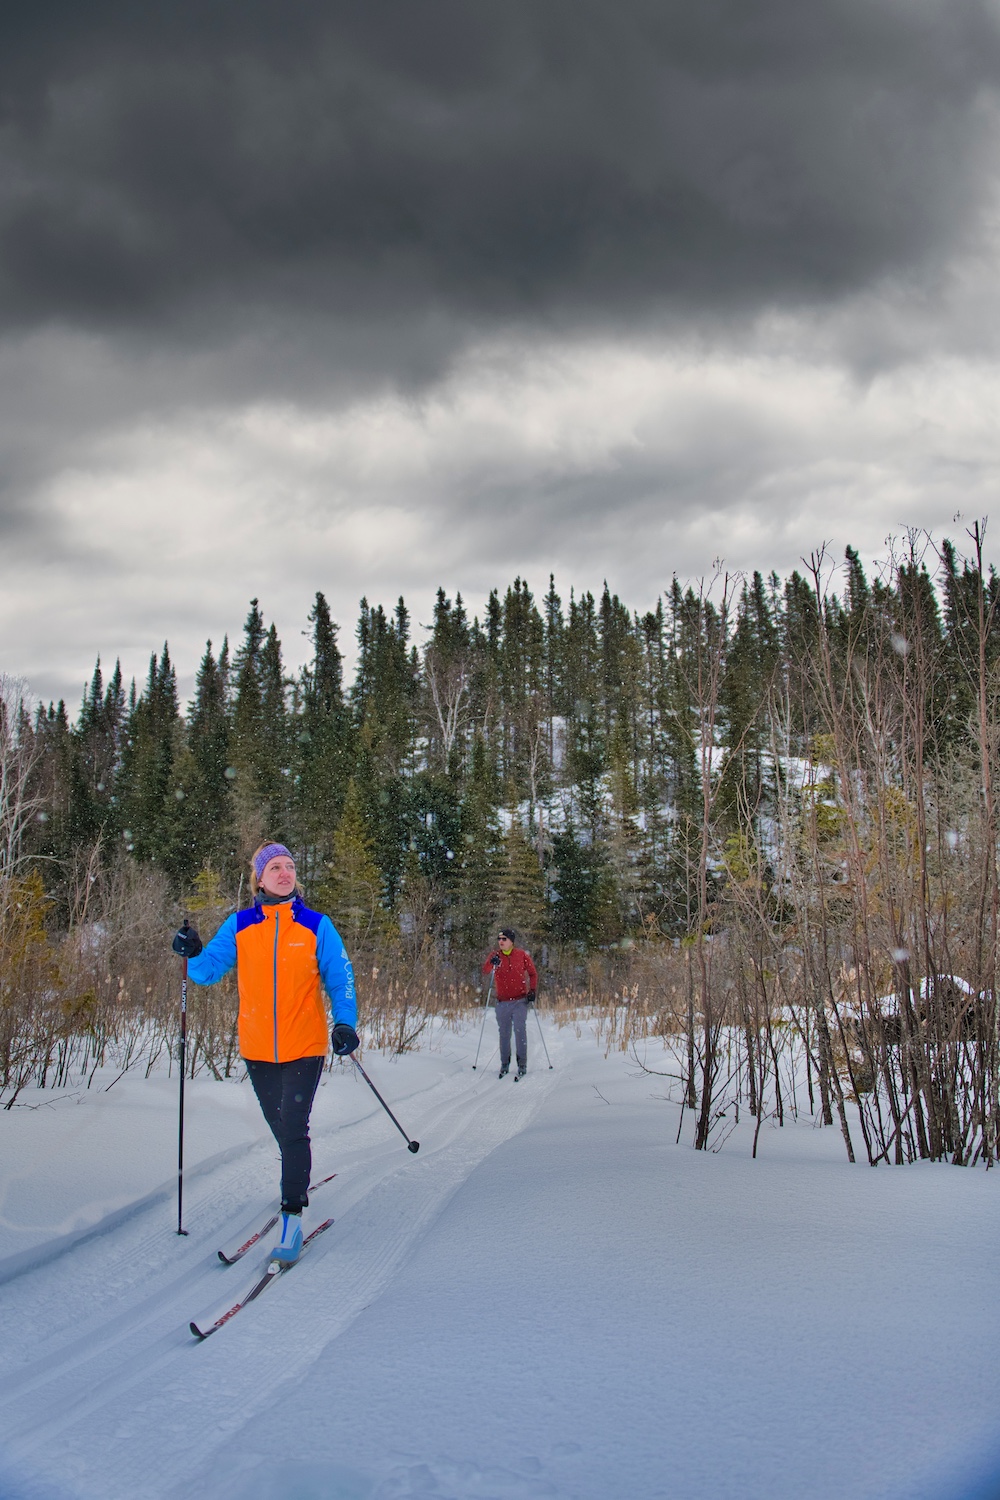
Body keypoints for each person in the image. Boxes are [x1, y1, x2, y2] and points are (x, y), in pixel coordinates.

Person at [171, 842, 358, 1265]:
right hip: (257, 1049)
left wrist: (344, 1022)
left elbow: (340, 979)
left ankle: (292, 1214)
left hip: (305, 1046)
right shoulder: (240, 925)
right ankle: (297, 1177)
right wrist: (190, 951)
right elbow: (205, 972)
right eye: (275, 867)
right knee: (281, 1129)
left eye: (290, 865)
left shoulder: (315, 925)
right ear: (260, 878)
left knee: (293, 1129)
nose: (285, 872)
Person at [481, 927, 538, 1080]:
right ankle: (504, 1064)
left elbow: (532, 973)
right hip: (502, 1002)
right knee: (504, 1034)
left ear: (511, 941)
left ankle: (522, 1064)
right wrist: (491, 964)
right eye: (499, 939)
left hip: (520, 1000)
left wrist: (532, 990)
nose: (501, 942)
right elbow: (486, 970)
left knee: (520, 1031)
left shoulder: (521, 955)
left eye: (504, 939)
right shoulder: (495, 956)